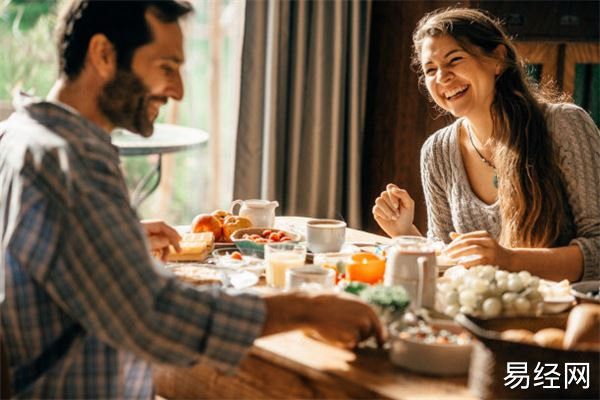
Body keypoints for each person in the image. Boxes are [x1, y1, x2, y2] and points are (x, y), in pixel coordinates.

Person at [0, 1, 383, 398]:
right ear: (103, 54)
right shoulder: (68, 161)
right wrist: (307, 309)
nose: (178, 89)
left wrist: (118, 241)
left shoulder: (22, 136)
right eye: (167, 67)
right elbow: (152, 316)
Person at [372, 7, 599, 283]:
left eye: (454, 60)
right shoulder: (437, 152)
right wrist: (405, 233)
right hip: (482, 312)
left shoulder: (563, 125)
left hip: (567, 314)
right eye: (430, 70)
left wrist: (510, 260)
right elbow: (449, 258)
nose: (442, 77)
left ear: (498, 59)